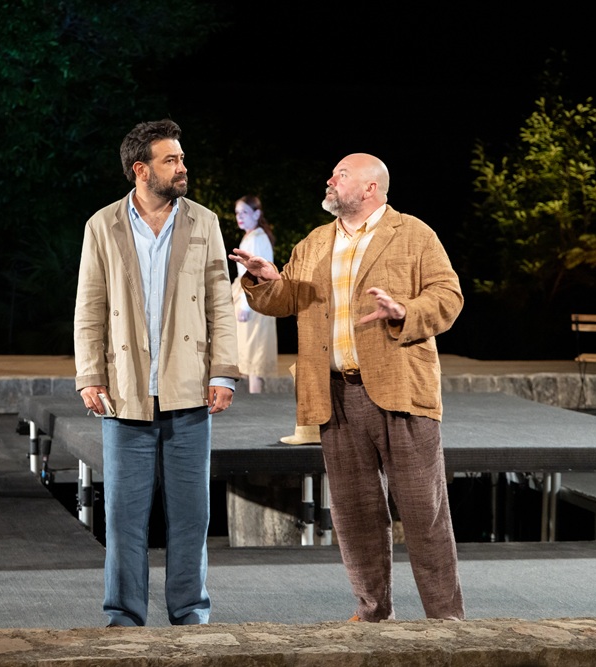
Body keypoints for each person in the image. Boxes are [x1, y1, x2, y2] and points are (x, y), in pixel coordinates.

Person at [231, 153, 465, 622]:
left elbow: (448, 297)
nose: (330, 180)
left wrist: (405, 312)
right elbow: (286, 298)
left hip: (401, 390)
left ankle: (445, 619)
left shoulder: (414, 234)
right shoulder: (316, 241)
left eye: (341, 175)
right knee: (355, 514)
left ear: (370, 188)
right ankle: (373, 611)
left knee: (424, 511)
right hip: (335, 395)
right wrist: (264, 280)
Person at [74, 119, 240, 627]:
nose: (182, 167)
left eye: (182, 158)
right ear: (140, 170)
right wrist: (89, 374)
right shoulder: (102, 225)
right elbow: (89, 307)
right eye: (171, 160)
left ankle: (190, 611)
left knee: (191, 515)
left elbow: (220, 302)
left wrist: (223, 372)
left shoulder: (204, 222)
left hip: (189, 391)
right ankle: (124, 614)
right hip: (125, 393)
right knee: (124, 516)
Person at [232, 195, 278, 393]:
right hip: (252, 297)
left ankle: (256, 401)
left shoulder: (256, 239)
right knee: (250, 356)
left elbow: (253, 273)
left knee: (253, 358)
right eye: (237, 213)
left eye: (245, 212)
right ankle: (254, 398)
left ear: (257, 214)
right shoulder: (251, 237)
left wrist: (245, 305)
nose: (240, 217)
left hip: (254, 300)